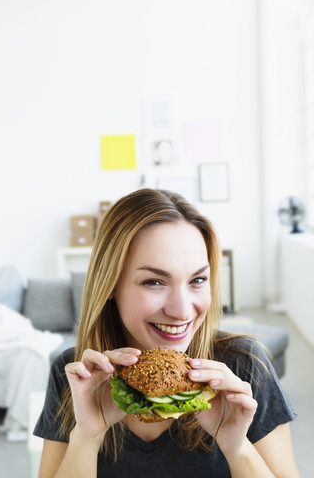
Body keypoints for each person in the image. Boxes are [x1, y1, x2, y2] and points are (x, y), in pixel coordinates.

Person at [34, 188, 300, 478]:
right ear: (110, 284)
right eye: (154, 282)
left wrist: (237, 448)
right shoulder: (75, 375)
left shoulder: (244, 367)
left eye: (197, 279)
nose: (182, 310)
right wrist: (86, 437)